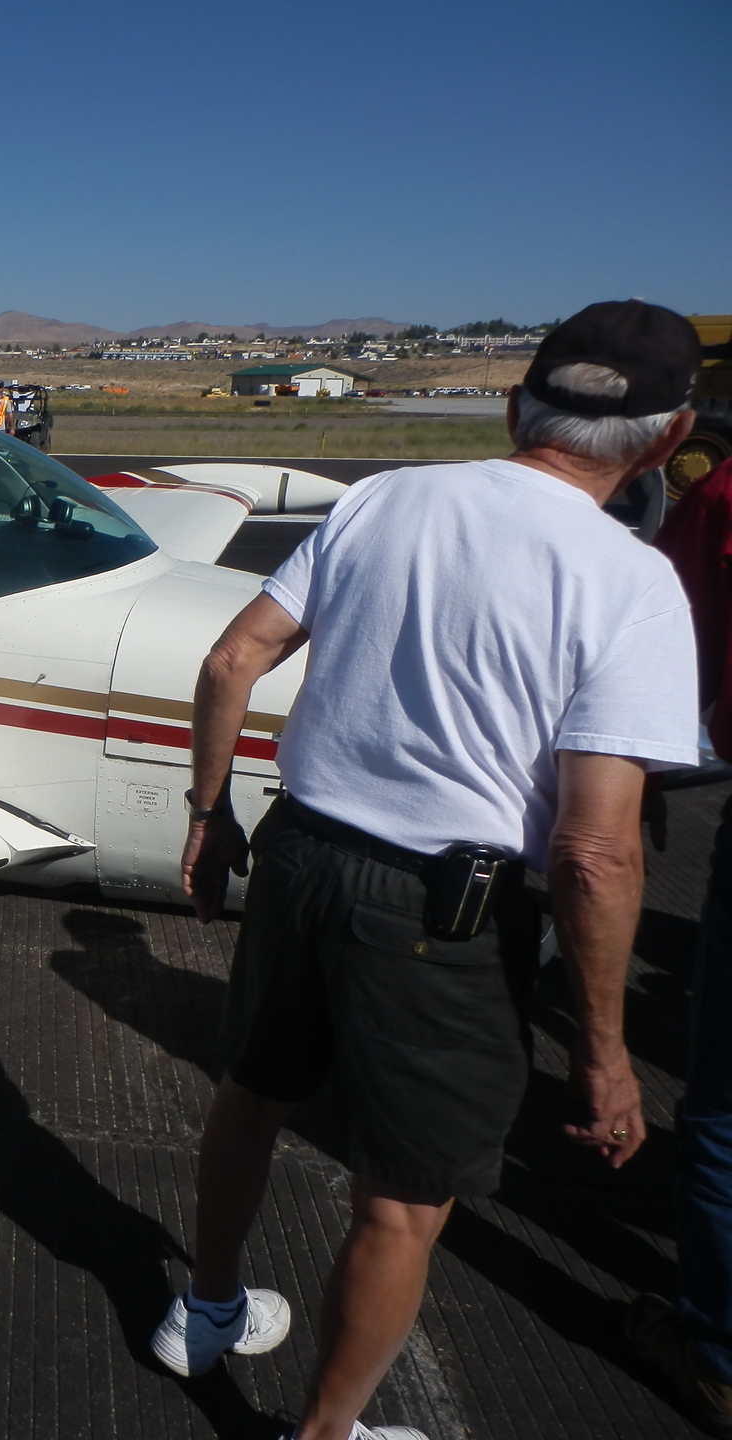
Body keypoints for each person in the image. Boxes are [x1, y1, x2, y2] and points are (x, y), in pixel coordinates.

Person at [166, 299, 703, 1440]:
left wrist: (211, 818)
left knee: (250, 1099)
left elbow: (230, 661)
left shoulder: (384, 497)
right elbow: (598, 849)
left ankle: (206, 1308)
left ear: (517, 407)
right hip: (443, 917)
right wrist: (605, 1055)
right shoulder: (633, 582)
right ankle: (325, 1433)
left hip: (302, 852)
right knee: (404, 1205)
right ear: (669, 438)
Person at [633, 452, 732, 1436]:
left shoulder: (726, 494)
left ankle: (719, 1356)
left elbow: (672, 650)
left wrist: (639, 782)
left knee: (724, 1117)